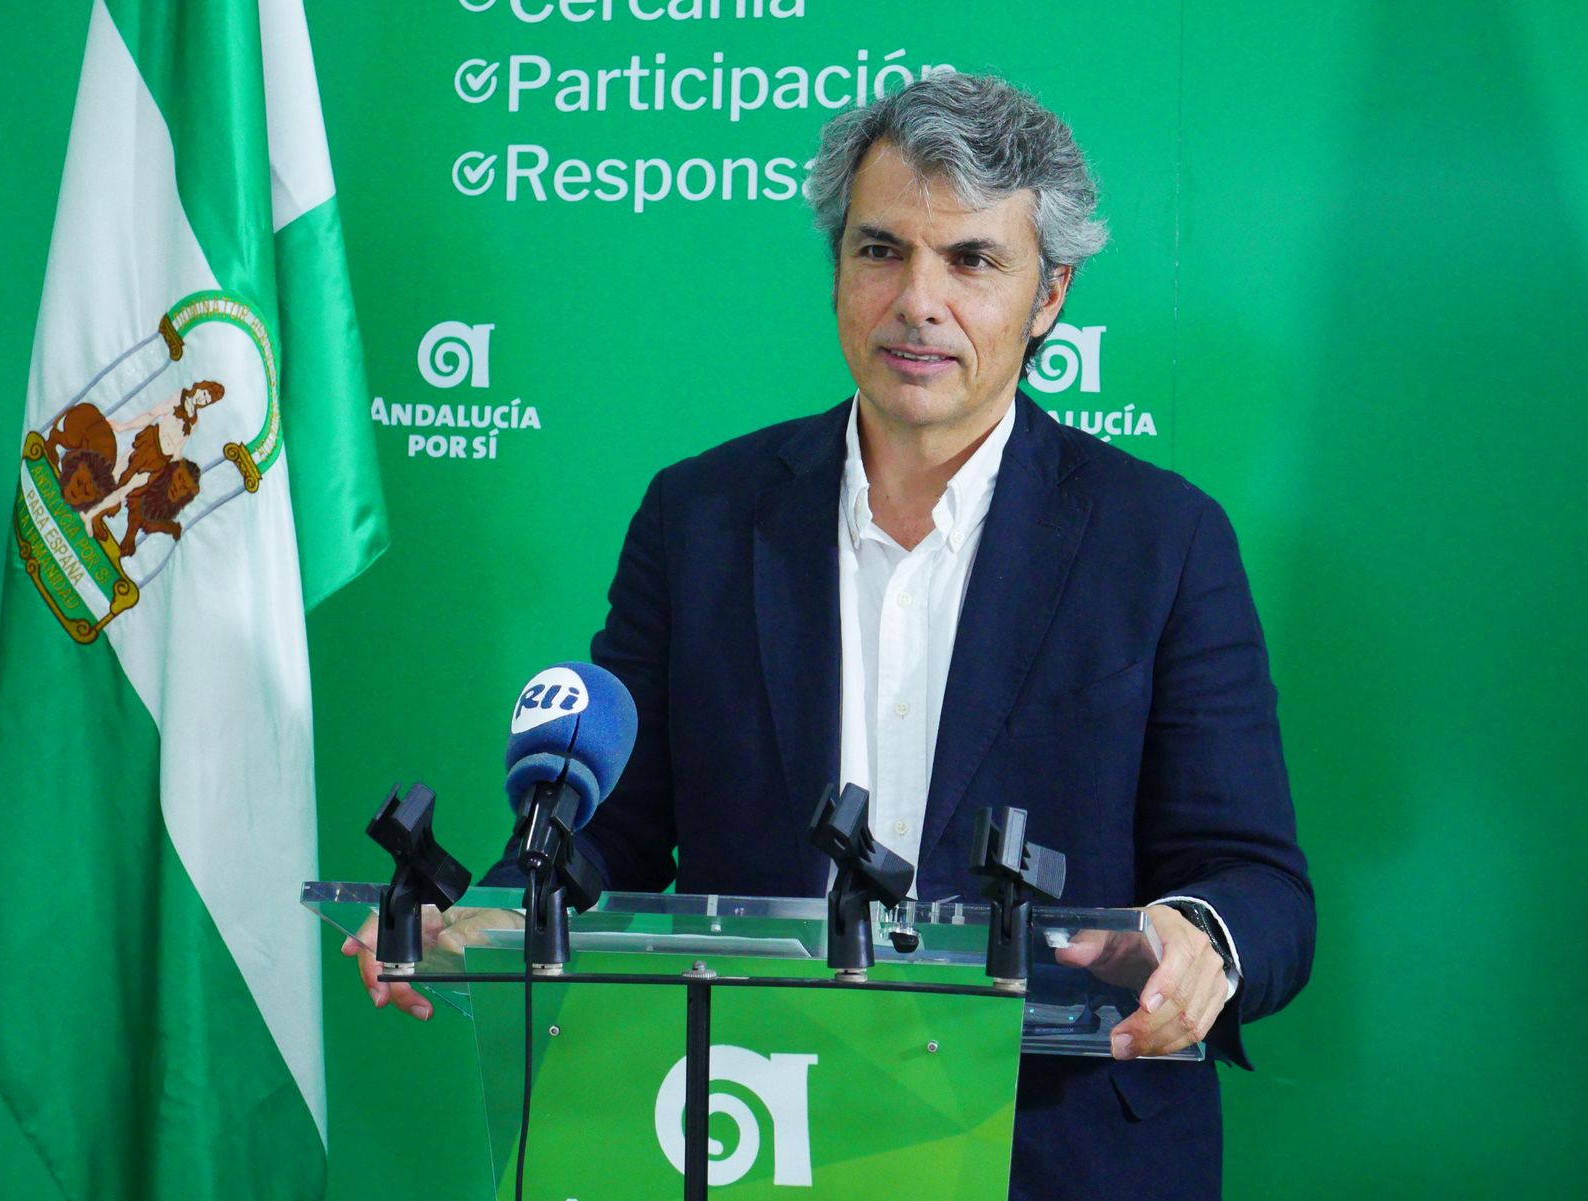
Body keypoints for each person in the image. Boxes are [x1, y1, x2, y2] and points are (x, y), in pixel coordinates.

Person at [350, 72, 1314, 1199]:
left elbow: (1257, 883)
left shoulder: (1163, 542)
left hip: (1054, 1151)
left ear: (1050, 293)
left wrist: (1200, 939)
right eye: (879, 250)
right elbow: (615, 821)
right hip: (742, 1135)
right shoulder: (701, 517)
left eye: (971, 260)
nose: (917, 300)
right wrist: (498, 917)